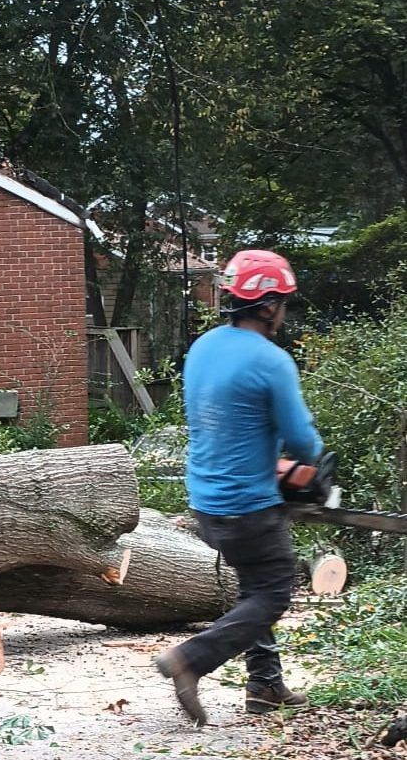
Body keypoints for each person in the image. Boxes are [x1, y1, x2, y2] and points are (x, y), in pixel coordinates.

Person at [154, 249, 324, 726]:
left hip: (205, 502)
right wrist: (310, 467)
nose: (284, 312)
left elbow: (231, 428)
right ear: (269, 305)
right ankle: (191, 657)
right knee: (273, 592)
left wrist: (276, 467)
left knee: (252, 586)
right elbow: (302, 440)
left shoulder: (204, 347)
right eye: (283, 303)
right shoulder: (272, 361)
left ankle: (265, 683)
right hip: (246, 505)